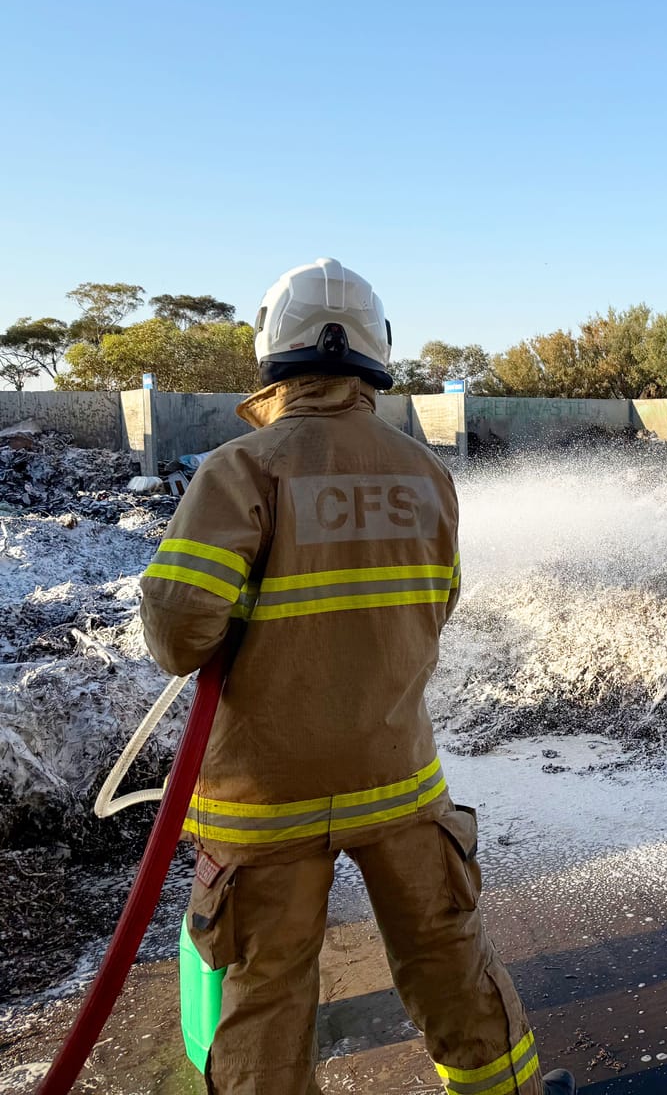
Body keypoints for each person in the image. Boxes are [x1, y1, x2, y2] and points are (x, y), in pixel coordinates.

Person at [140, 258, 572, 1094]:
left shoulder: (240, 469)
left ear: (274, 349)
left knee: (266, 994)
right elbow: (433, 607)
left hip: (263, 799)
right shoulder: (427, 475)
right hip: (397, 778)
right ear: (377, 350)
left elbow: (179, 635)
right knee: (450, 959)